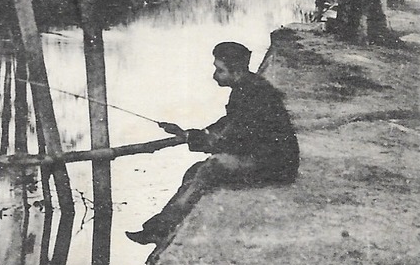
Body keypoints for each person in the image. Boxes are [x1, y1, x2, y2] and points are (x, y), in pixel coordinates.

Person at [126, 41, 299, 245]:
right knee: (194, 171)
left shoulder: (253, 95)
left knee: (210, 169)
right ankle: (160, 227)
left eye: (220, 70)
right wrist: (191, 133)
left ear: (235, 71)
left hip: (276, 166)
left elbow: (237, 140)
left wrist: (195, 139)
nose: (215, 76)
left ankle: (159, 229)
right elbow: (230, 123)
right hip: (268, 158)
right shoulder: (247, 87)